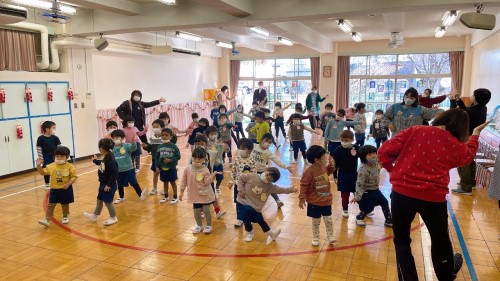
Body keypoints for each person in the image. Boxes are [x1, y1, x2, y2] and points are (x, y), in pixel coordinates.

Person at [378, 109, 490, 281]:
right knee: (440, 239)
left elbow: (384, 151)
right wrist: (475, 134)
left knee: (401, 240)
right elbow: (467, 157)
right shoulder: (454, 143)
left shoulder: (415, 130)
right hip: (433, 198)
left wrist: (393, 170)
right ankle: (446, 274)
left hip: (402, 193)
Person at [236, 167, 296, 243]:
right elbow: (241, 178)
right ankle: (250, 233)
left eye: (270, 180)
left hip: (255, 207)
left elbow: (280, 190)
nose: (267, 179)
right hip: (243, 202)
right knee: (246, 219)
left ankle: (272, 234)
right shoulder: (252, 176)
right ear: (265, 170)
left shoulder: (270, 186)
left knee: (260, 220)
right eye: (267, 175)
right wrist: (241, 190)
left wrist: (290, 190)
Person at [450, 88, 491, 195]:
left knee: (463, 162)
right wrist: (459, 100)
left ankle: (466, 187)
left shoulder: (474, 111)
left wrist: (453, 101)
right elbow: (466, 111)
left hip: (466, 137)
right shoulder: (482, 108)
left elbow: (460, 114)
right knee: (469, 160)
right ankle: (470, 183)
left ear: (476, 98)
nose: (471, 96)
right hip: (473, 137)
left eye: (473, 95)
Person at [299, 145, 337, 246]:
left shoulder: (324, 167)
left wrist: (331, 166)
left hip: (326, 200)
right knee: (316, 221)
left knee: (328, 219)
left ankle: (331, 236)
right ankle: (316, 237)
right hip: (314, 202)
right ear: (317, 160)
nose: (326, 157)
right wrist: (301, 198)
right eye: (324, 156)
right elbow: (303, 185)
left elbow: (329, 172)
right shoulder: (308, 172)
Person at [179, 148, 222, 234]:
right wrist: (181, 192)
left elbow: (206, 182)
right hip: (194, 195)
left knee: (206, 210)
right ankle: (199, 225)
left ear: (204, 159)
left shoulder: (205, 169)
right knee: (196, 212)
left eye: (199, 158)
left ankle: (209, 225)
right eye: (195, 158)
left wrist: (213, 175)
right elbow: (184, 181)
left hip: (205, 194)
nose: (196, 160)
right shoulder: (188, 168)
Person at [350, 145, 392, 227]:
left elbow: (385, 161)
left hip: (376, 190)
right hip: (367, 192)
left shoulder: (377, 163)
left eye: (374, 153)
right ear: (363, 157)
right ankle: (359, 218)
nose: (373, 155)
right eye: (369, 155)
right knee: (367, 209)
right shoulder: (362, 169)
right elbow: (359, 184)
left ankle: (388, 220)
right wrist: (358, 196)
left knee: (384, 202)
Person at [36, 146, 77, 227]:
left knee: (65, 204)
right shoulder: (51, 166)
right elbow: (43, 172)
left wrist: (68, 184)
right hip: (54, 189)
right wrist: (38, 166)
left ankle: (65, 216)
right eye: (57, 156)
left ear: (67, 157)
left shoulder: (70, 166)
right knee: (51, 204)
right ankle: (47, 220)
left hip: (65, 189)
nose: (59, 158)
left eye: (61, 156)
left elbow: (74, 177)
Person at [251, 133, 292, 208]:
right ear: (261, 140)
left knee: (269, 186)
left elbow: (276, 159)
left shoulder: (268, 152)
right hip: (252, 172)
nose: (268, 143)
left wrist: (285, 166)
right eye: (267, 141)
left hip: (262, 172)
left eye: (270, 142)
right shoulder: (253, 146)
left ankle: (278, 200)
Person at [83, 138, 119, 226]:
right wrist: (95, 161)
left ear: (101, 148)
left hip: (108, 185)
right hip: (103, 184)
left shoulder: (110, 160)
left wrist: (109, 185)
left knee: (108, 202)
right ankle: (95, 215)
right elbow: (102, 163)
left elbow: (114, 173)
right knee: (99, 200)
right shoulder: (107, 157)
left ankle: (113, 217)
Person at [194, 134, 227, 219]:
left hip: (209, 179)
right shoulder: (194, 155)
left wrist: (221, 146)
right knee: (200, 196)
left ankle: (217, 211)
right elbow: (190, 166)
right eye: (197, 144)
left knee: (212, 196)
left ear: (206, 145)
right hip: (198, 180)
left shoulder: (210, 153)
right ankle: (201, 212)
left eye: (202, 144)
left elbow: (219, 156)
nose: (199, 146)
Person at [111, 129, 147, 204]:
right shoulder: (113, 149)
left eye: (117, 137)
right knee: (120, 184)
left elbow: (133, 148)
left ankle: (140, 194)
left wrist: (133, 142)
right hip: (119, 170)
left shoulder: (126, 146)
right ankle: (121, 197)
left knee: (134, 182)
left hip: (129, 169)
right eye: (114, 138)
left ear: (122, 138)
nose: (115, 139)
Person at [229, 138, 256, 227]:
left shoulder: (252, 161)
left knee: (248, 202)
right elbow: (234, 171)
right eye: (240, 148)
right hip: (238, 185)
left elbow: (254, 173)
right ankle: (239, 219)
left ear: (249, 150)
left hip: (248, 186)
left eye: (244, 148)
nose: (241, 151)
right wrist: (231, 181)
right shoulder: (237, 159)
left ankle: (249, 217)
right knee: (238, 202)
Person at [333, 130, 360, 218]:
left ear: (352, 139)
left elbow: (363, 157)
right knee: (344, 193)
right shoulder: (338, 150)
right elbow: (335, 164)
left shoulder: (356, 148)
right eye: (342, 140)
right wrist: (335, 176)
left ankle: (363, 209)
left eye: (346, 140)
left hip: (353, 174)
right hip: (342, 174)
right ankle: (345, 209)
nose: (344, 142)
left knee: (357, 192)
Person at [155, 128, 181, 204]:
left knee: (173, 182)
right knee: (165, 182)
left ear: (170, 136)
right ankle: (166, 196)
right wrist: (157, 166)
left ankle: (175, 197)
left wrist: (171, 160)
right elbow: (157, 158)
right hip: (162, 168)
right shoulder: (159, 147)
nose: (164, 137)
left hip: (171, 167)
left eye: (166, 135)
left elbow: (178, 156)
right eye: (162, 135)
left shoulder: (173, 146)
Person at [37, 121, 62, 189]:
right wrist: (41, 158)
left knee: (57, 168)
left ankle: (58, 181)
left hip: (54, 156)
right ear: (47, 129)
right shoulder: (41, 138)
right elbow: (39, 148)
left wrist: (61, 156)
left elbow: (59, 147)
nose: (54, 129)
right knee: (47, 169)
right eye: (53, 128)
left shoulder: (55, 138)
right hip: (46, 156)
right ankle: (47, 183)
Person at [143, 119, 165, 195]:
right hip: (155, 159)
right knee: (155, 174)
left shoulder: (165, 137)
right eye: (153, 127)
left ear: (161, 127)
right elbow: (149, 148)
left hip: (164, 159)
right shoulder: (152, 137)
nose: (155, 128)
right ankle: (154, 188)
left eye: (157, 126)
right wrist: (145, 147)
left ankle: (165, 189)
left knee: (164, 174)